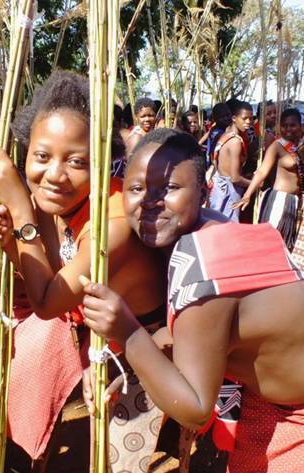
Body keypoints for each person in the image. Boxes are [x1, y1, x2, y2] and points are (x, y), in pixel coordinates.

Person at [81, 128, 304, 473]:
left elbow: (196, 409)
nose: (149, 200)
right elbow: (194, 332)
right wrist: (126, 360)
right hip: (275, 401)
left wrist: (127, 331)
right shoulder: (214, 229)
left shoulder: (203, 259)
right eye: (136, 188)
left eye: (169, 188)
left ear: (205, 192)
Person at [0, 70, 166, 472]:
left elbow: (46, 303)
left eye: (77, 161)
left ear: (101, 163)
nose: (55, 175)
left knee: (116, 458)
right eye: (42, 156)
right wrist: (11, 240)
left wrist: (22, 215)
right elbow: (45, 276)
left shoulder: (111, 224)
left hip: (141, 349)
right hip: (90, 331)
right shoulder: (55, 203)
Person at [233, 109, 303, 247]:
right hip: (279, 201)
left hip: (295, 202)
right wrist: (247, 195)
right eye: (284, 125)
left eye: (292, 125)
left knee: (287, 246)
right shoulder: (277, 146)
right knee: (271, 243)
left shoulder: (299, 147)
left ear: (300, 126)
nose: (288, 129)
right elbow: (262, 171)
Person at [208, 100, 253, 222]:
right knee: (228, 226)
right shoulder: (235, 142)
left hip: (220, 189)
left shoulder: (226, 135)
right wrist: (254, 183)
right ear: (234, 118)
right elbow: (235, 178)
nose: (248, 122)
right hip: (229, 192)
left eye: (251, 118)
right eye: (244, 118)